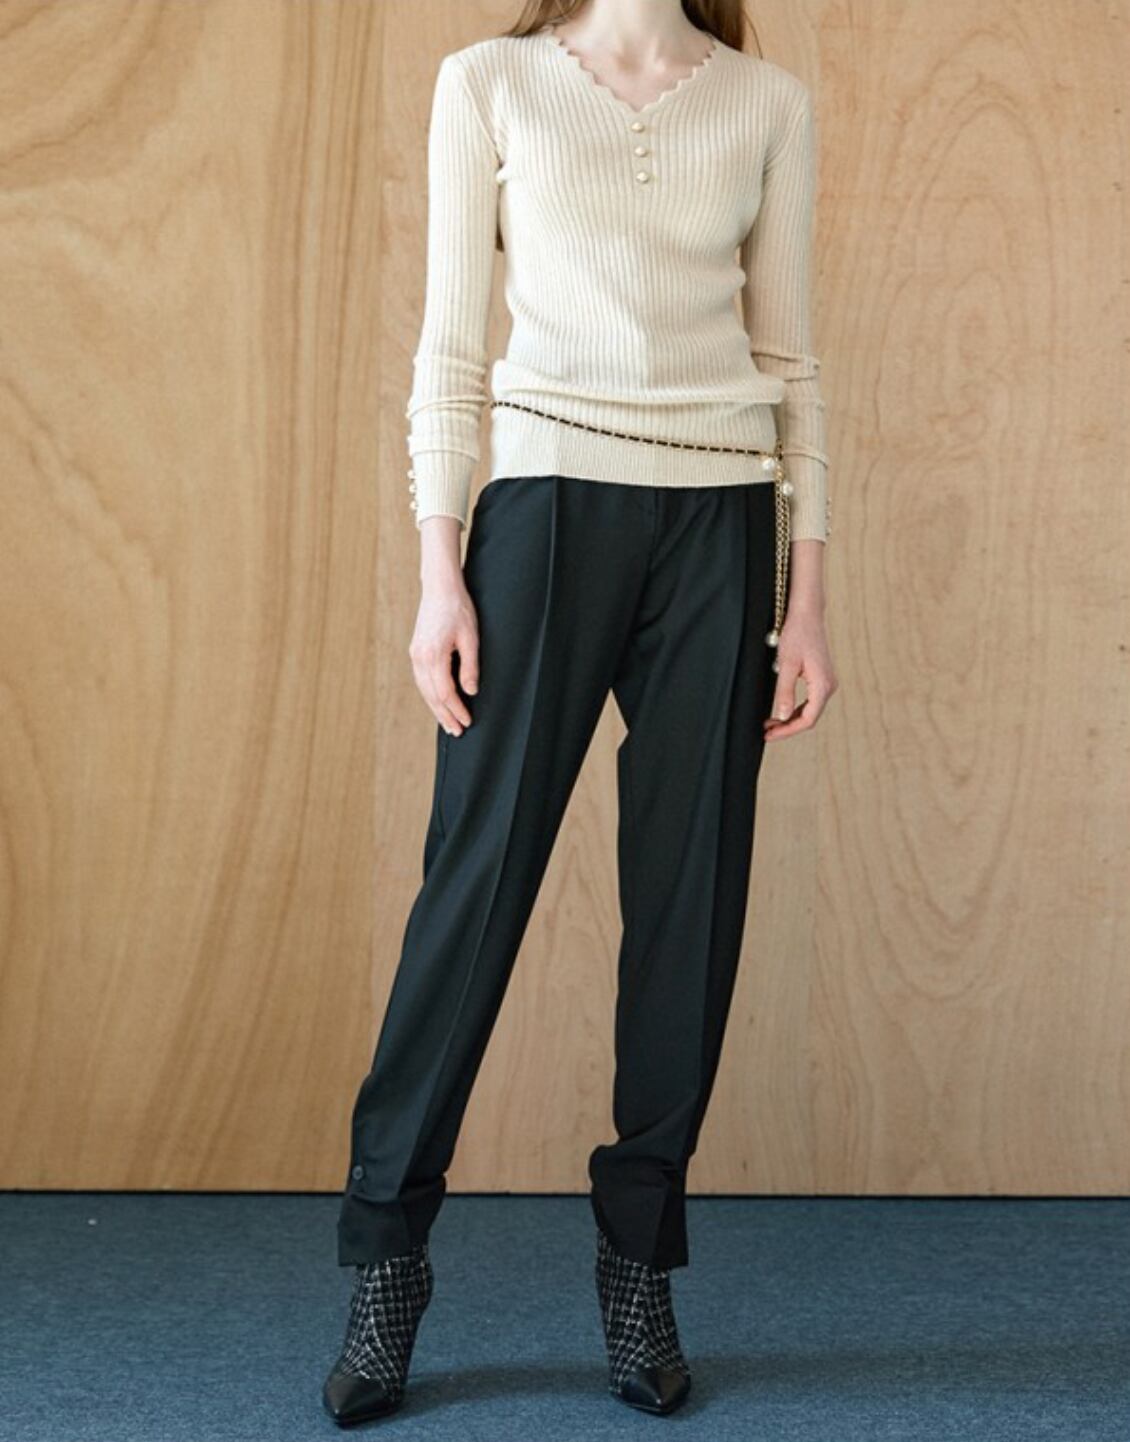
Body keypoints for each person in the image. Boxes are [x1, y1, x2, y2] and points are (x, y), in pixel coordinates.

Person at [322, 0, 838, 1425]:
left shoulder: (766, 102)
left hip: (721, 522)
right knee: (473, 887)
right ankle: (385, 1258)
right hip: (544, 512)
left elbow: (791, 362)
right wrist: (439, 571)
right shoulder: (488, 81)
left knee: (690, 899)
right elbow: (449, 346)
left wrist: (805, 596)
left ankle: (638, 1265)